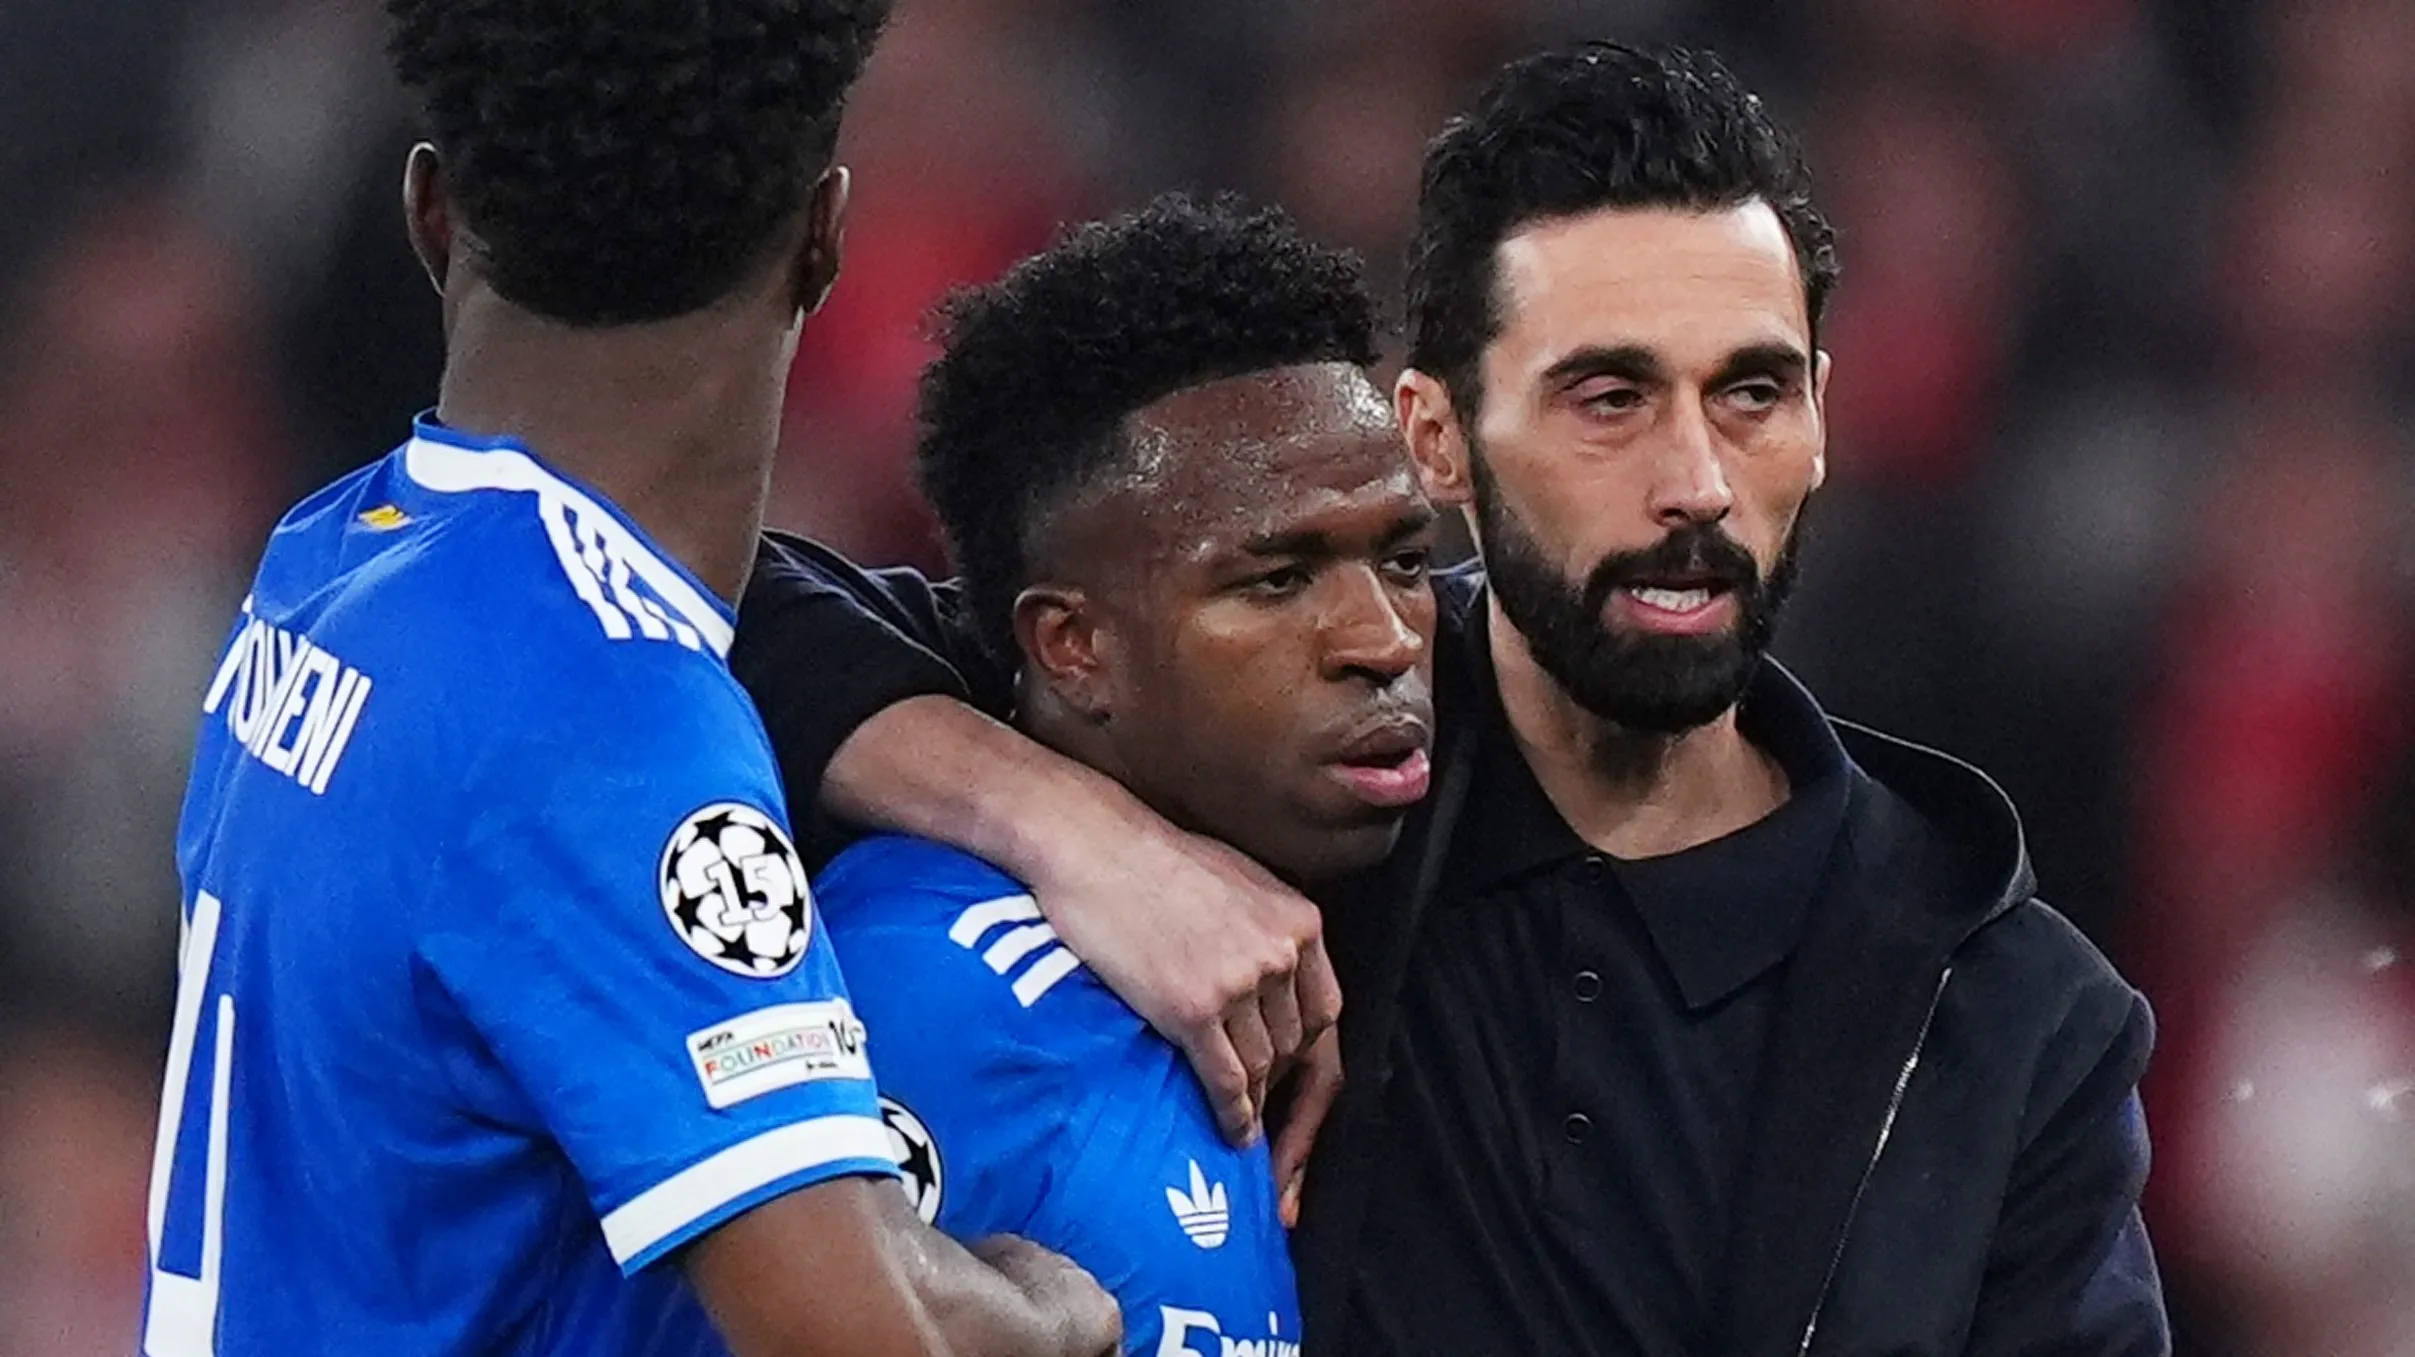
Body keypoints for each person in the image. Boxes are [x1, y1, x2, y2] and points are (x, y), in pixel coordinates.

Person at [736, 40, 2170, 1357]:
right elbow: (720, 624)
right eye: (1605, 397)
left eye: (1749, 393)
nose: (1692, 482)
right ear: (1434, 435)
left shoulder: (2007, 1020)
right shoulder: (1292, 741)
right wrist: (1076, 835)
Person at [138, 1, 1121, 1354]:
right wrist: (1056, 1299)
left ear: (430, 211)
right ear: (827, 237)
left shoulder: (326, 561)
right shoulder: (606, 718)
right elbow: (872, 1338)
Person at [800, 194, 1435, 1357]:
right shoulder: (923, 991)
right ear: (1072, 648)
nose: (1384, 638)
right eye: (1279, 580)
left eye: (1405, 559)